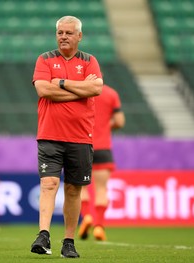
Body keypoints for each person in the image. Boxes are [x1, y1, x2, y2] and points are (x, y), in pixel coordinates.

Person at [30, 16, 103, 258]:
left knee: (73, 190)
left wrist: (60, 83)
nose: (63, 36)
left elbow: (96, 89)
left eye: (68, 33)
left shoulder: (90, 61)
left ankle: (68, 241)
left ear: (79, 36)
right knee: (48, 184)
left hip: (81, 137)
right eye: (60, 32)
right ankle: (43, 234)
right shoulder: (45, 59)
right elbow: (43, 90)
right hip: (50, 134)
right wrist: (79, 90)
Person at [78, 84, 125, 241]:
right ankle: (99, 226)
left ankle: (87, 217)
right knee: (101, 189)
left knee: (80, 188)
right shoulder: (111, 93)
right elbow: (119, 121)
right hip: (103, 148)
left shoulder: (79, 90)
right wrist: (106, 126)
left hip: (82, 145)